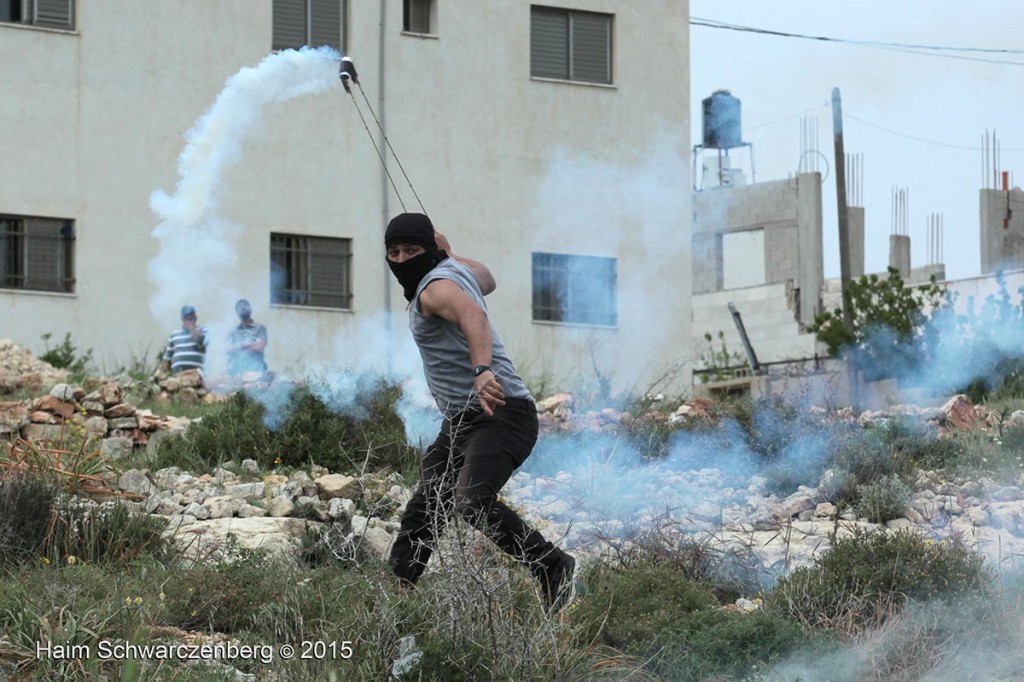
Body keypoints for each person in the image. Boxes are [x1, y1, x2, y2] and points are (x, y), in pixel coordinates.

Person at [384, 212, 579, 614]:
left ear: (427, 250)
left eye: (411, 250)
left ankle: (551, 565)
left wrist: (482, 369)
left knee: (471, 501)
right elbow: (487, 279)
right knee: (427, 507)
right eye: (394, 252)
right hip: (464, 421)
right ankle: (395, 600)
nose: (402, 260)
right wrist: (449, 253)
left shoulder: (432, 291)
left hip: (500, 412)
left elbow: (474, 314)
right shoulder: (452, 270)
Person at [160, 305, 208, 376]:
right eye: (186, 317)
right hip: (178, 375)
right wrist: (162, 374)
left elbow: (202, 343)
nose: (189, 319)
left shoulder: (203, 331)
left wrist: (192, 328)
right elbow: (167, 358)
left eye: (191, 317)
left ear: (195, 317)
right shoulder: (174, 335)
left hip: (197, 375)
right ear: (182, 319)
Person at [227, 299, 268, 376]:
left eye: (245, 305)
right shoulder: (233, 331)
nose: (243, 307)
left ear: (251, 309)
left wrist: (242, 346)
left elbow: (260, 347)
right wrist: (251, 345)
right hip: (236, 372)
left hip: (256, 371)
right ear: (237, 312)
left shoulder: (260, 328)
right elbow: (228, 350)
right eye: (240, 306)